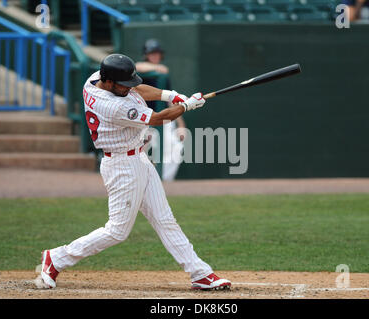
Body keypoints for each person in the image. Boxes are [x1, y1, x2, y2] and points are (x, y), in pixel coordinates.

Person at [36, 54, 231, 291]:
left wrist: (172, 96)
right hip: (122, 166)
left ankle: (200, 273)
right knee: (117, 231)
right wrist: (186, 106)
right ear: (108, 82)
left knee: (164, 219)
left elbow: (137, 88)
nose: (128, 88)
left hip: (137, 158)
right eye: (122, 85)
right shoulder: (113, 105)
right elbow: (158, 118)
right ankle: (56, 258)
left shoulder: (95, 78)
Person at [136, 39, 186, 181]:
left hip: (164, 118)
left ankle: (163, 180)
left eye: (157, 53)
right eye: (152, 53)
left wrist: (181, 125)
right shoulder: (142, 73)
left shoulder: (163, 74)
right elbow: (136, 66)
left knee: (176, 148)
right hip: (144, 119)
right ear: (146, 54)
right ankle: (141, 179)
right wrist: (156, 68)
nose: (155, 56)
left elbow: (171, 103)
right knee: (139, 151)